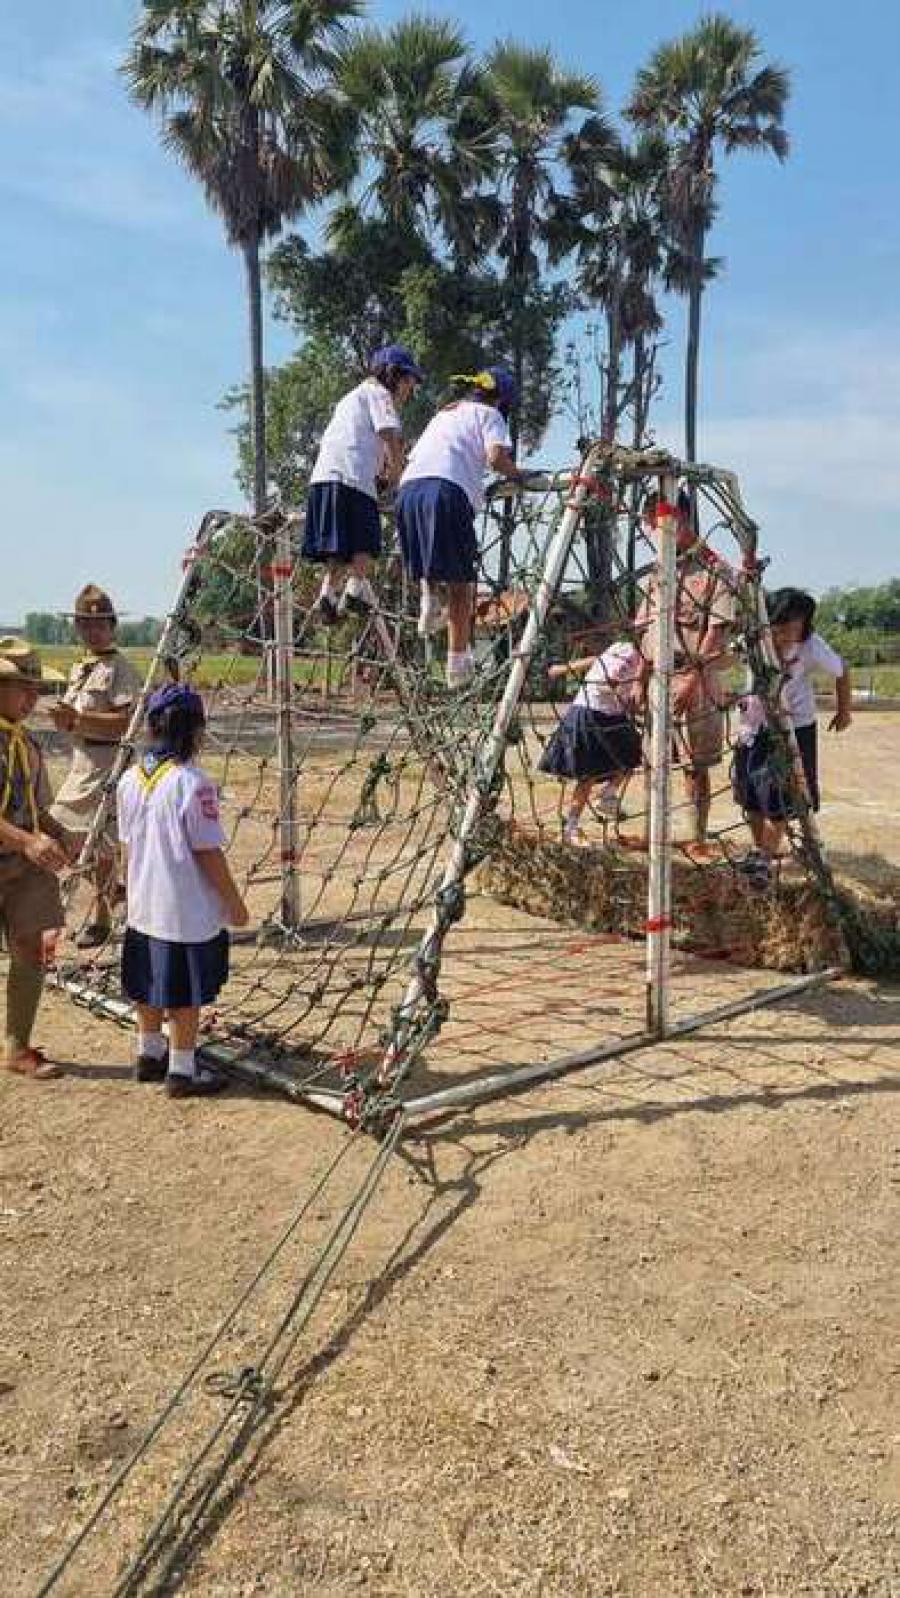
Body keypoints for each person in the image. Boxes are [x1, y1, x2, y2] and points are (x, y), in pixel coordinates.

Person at [116, 683, 249, 1098]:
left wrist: (127, 890)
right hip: (184, 911)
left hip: (143, 906)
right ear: (194, 731)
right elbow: (207, 851)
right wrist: (234, 903)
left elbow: (125, 846)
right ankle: (183, 1070)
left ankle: (149, 1053)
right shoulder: (194, 782)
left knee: (147, 982)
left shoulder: (129, 779)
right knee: (184, 992)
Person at [396, 368, 524, 688]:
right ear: (502, 400)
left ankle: (428, 603)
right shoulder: (491, 414)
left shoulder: (445, 414)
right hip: (446, 491)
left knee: (428, 560)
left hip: (408, 491)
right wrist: (519, 475)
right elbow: (496, 458)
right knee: (460, 584)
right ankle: (458, 664)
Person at [638, 490, 740, 847]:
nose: (652, 534)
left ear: (678, 519)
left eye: (655, 525)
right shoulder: (659, 570)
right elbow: (645, 628)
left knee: (694, 766)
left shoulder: (715, 569)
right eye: (649, 526)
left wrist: (691, 682)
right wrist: (640, 677)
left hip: (696, 678)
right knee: (653, 763)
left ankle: (697, 837)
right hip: (658, 676)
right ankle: (652, 834)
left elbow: (716, 632)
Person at [733, 587, 852, 882]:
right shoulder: (755, 641)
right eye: (781, 628)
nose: (787, 636)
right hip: (754, 726)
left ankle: (765, 858)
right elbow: (725, 656)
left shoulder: (811, 646)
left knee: (782, 794)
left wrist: (844, 711)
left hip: (794, 728)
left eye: (795, 628)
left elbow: (842, 670)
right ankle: (759, 849)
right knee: (750, 794)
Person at [304, 344, 425, 624]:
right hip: (353, 478)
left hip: (323, 478)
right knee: (366, 540)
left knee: (338, 545)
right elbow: (390, 436)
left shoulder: (350, 398)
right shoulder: (380, 393)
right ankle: (356, 588)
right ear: (393, 375)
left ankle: (328, 594)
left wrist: (382, 473)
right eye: (408, 382)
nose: (409, 390)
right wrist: (397, 477)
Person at [48, 584, 141, 947]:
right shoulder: (81, 667)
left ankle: (103, 916)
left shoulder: (120, 668)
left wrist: (79, 718)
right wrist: (66, 720)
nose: (92, 630)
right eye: (85, 624)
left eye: (100, 624)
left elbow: (126, 723)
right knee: (70, 837)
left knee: (88, 841)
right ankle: (112, 895)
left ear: (112, 626)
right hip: (82, 761)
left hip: (108, 762)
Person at [0, 638, 70, 1081]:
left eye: (35, 689)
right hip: (17, 849)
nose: (32, 698)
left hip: (22, 865)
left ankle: (17, 1046)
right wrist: (27, 841)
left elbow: (35, 808)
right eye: (22, 688)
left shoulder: (26, 743)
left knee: (28, 946)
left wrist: (61, 834)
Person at [540, 638, 644, 846]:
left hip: (609, 714)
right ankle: (571, 827)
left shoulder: (624, 649)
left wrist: (563, 669)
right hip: (593, 712)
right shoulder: (630, 653)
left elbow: (597, 659)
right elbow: (609, 679)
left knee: (632, 756)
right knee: (589, 774)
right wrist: (629, 700)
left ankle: (607, 795)